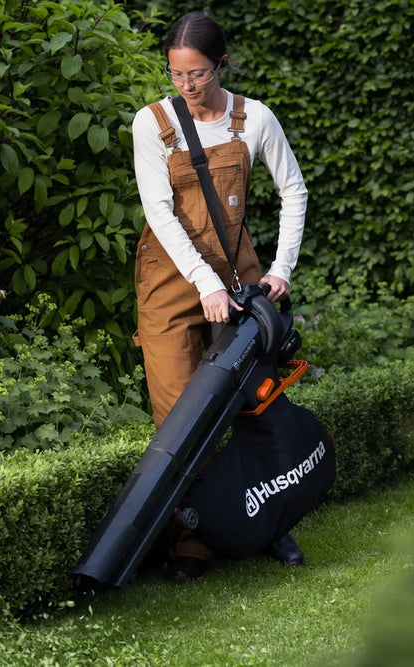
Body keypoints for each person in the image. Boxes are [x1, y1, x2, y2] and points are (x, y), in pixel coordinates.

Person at [131, 11, 308, 581]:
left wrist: (281, 269)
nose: (186, 84)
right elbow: (160, 212)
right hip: (169, 279)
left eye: (198, 73)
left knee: (257, 401)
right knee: (178, 415)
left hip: (238, 271)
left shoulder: (254, 118)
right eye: (176, 73)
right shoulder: (152, 123)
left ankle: (270, 518)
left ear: (221, 64)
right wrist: (205, 284)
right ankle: (197, 537)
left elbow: (293, 190)